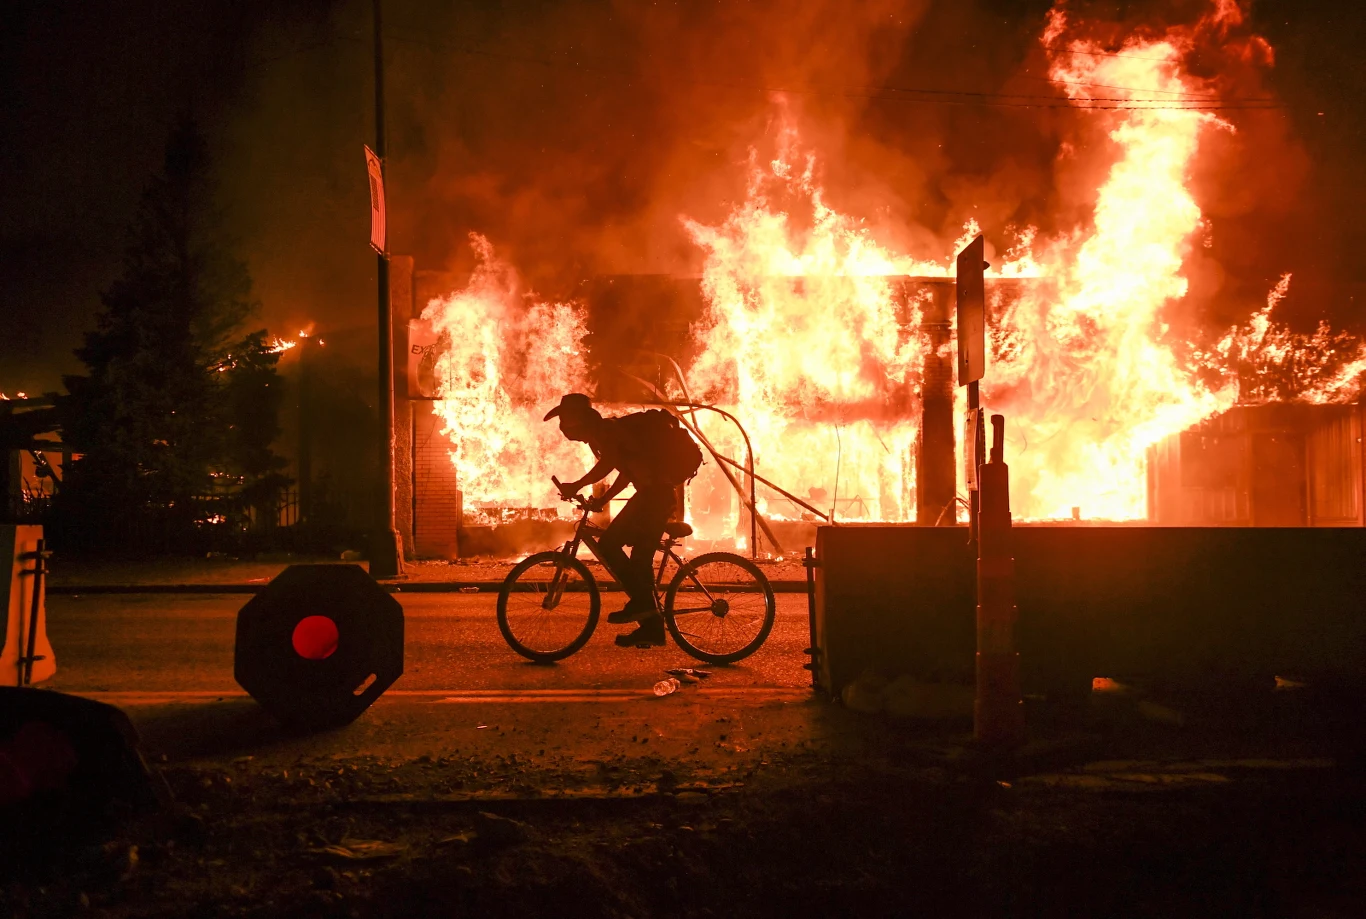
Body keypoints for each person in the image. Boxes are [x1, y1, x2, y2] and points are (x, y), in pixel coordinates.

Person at [544, 393, 699, 648]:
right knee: (640, 560)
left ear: (575, 421)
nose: (563, 428)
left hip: (655, 497)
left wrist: (578, 485)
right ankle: (651, 626)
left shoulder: (605, 431)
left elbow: (609, 464)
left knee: (609, 545)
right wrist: (603, 500)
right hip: (652, 495)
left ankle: (640, 602)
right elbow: (625, 473)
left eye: (564, 421)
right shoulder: (604, 434)